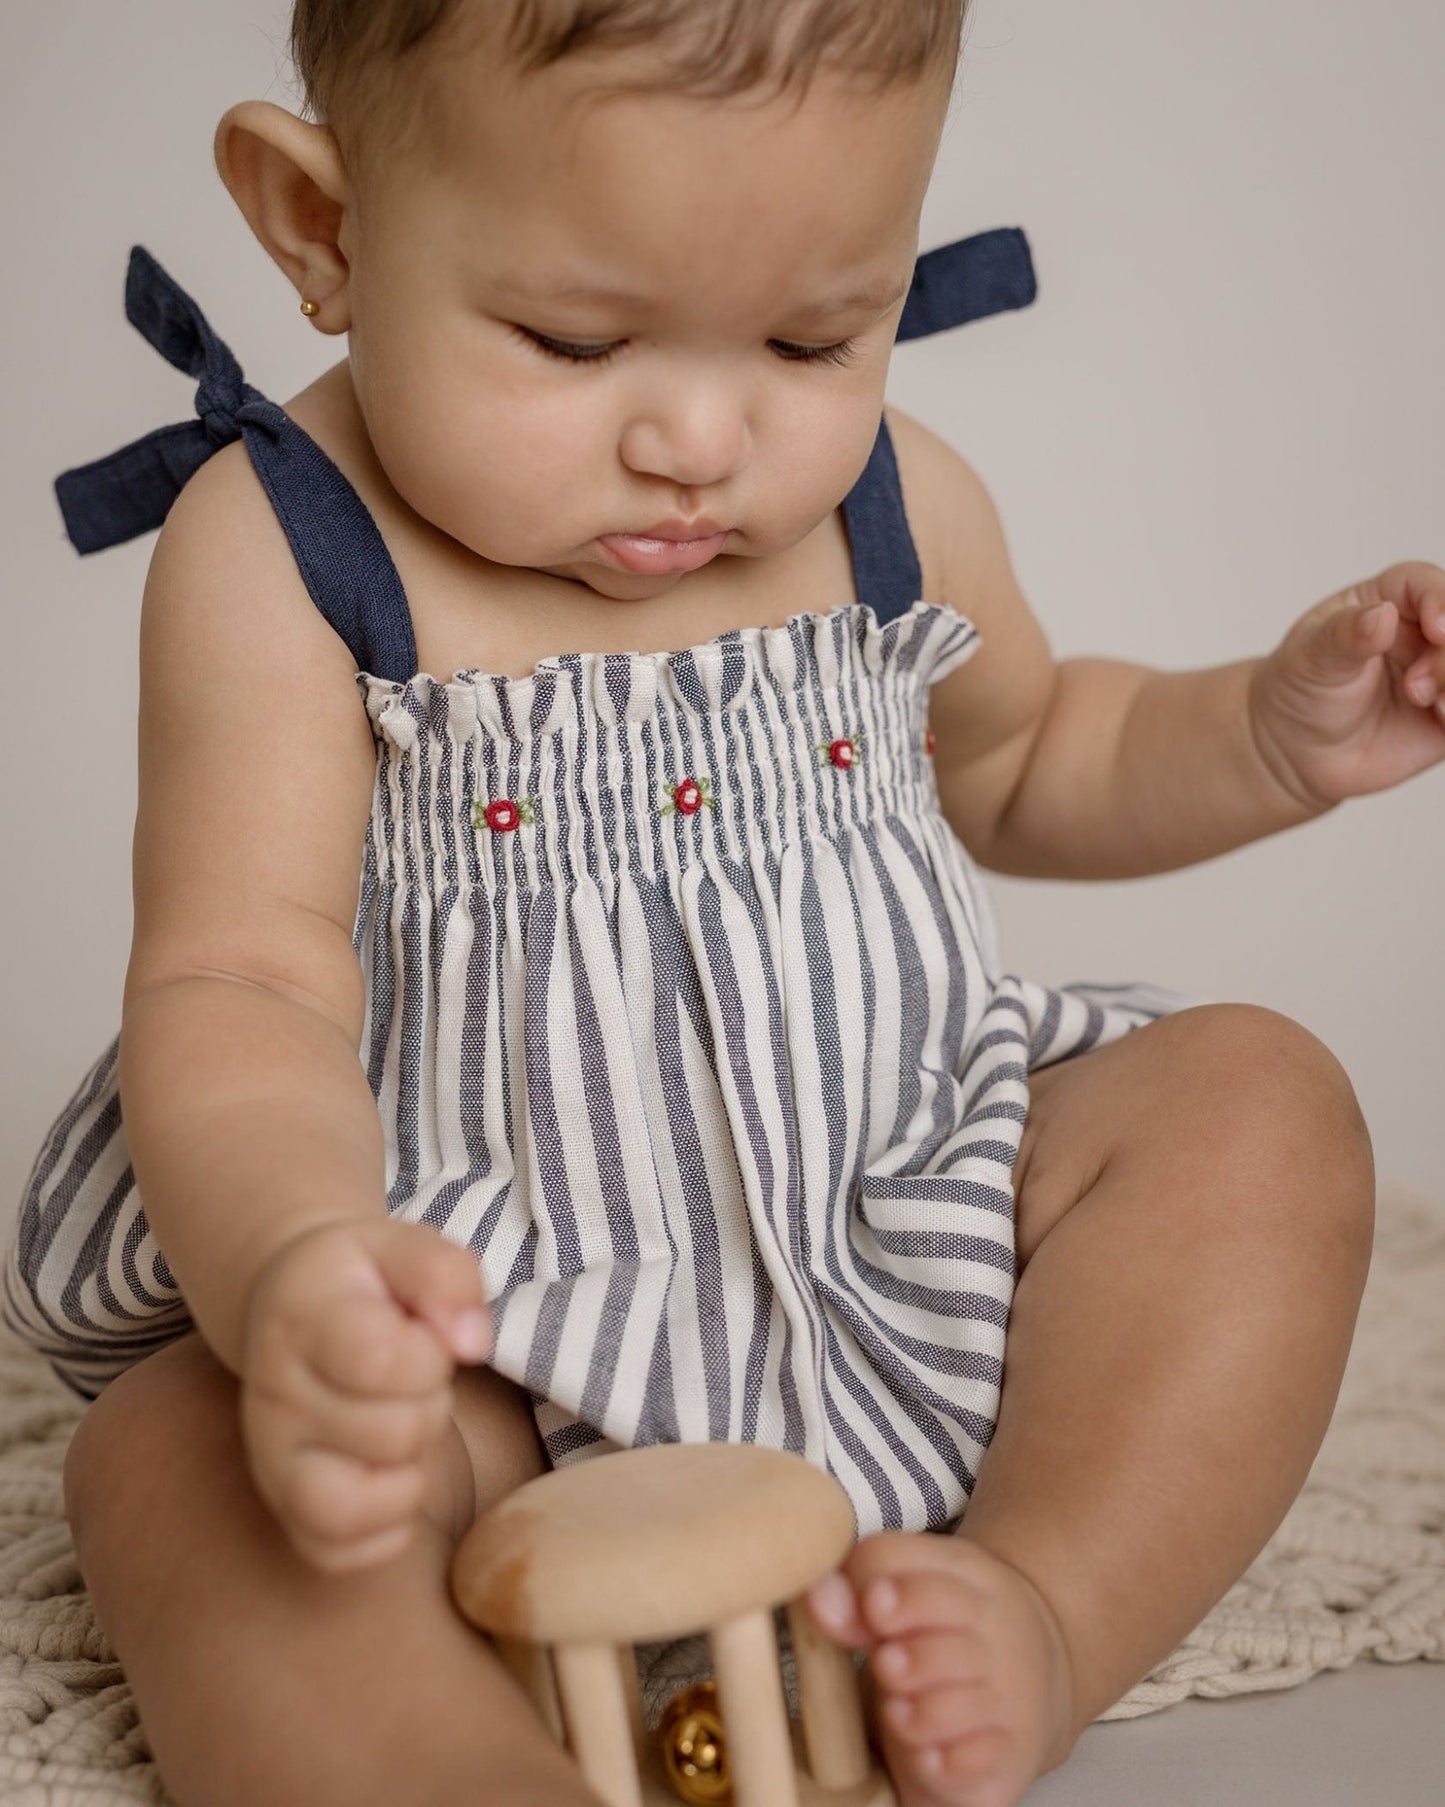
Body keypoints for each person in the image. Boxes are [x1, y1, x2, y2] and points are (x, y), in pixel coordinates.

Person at [6, 2, 1442, 1803]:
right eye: (574, 338)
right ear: (327, 229)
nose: (699, 436)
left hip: (896, 1245)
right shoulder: (285, 552)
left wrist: (1262, 729)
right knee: (169, 1464)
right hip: (478, 1324)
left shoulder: (893, 500)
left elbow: (1029, 758)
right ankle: (437, 1762)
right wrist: (302, 1265)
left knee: (1258, 1105)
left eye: (811, 332)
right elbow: (239, 976)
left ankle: (1034, 1597)